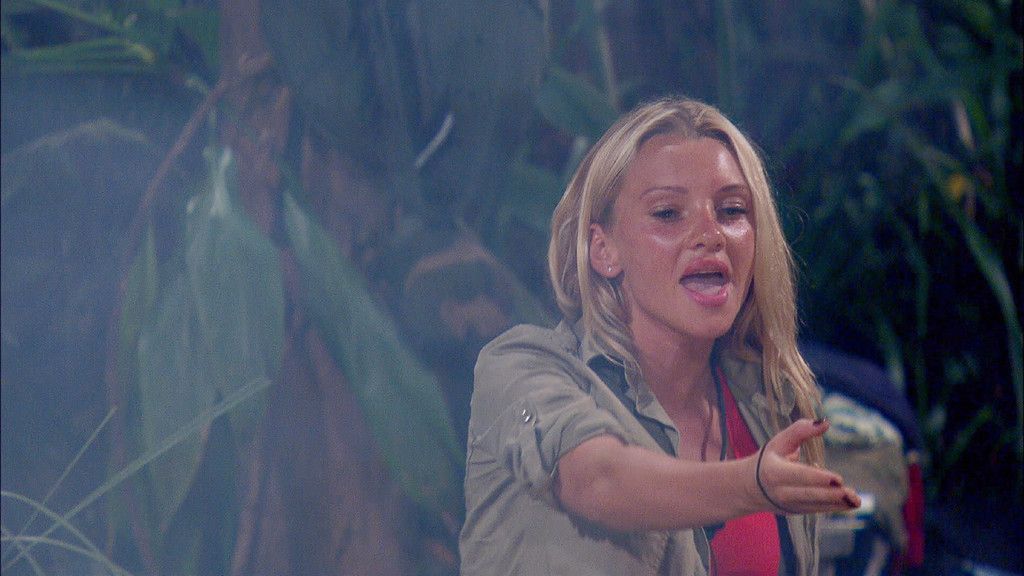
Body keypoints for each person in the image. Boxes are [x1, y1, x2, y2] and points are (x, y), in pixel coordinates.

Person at [459, 97, 861, 575]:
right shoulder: (521, 367)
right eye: (668, 213)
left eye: (731, 210)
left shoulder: (769, 402)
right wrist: (751, 485)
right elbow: (598, 480)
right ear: (603, 250)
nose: (711, 234)